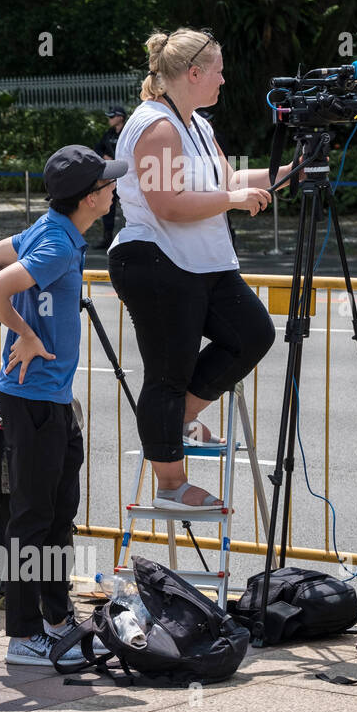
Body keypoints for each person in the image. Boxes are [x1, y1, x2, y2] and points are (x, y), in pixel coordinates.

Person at [109, 28, 277, 509]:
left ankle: (172, 420)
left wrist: (293, 170)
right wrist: (232, 199)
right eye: (219, 72)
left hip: (200, 263)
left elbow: (230, 180)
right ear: (194, 73)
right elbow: (168, 203)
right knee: (168, 372)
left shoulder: (197, 123)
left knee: (252, 334)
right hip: (156, 259)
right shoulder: (158, 124)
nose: (224, 80)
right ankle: (171, 486)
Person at [0, 145, 121, 666]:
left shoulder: (53, 229)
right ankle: (23, 635)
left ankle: (57, 620)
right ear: (88, 198)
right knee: (33, 518)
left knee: (58, 514)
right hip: (33, 397)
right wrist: (26, 333)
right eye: (106, 184)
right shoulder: (56, 243)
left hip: (49, 397)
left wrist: (26, 327)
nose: (113, 189)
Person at [93, 105, 126, 249]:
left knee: (130, 208)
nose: (109, 119)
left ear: (121, 117)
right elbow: (98, 148)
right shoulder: (109, 134)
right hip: (112, 176)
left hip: (126, 176)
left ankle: (130, 241)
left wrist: (115, 158)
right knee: (108, 208)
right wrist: (104, 156)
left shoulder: (128, 132)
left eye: (112, 116)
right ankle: (107, 239)